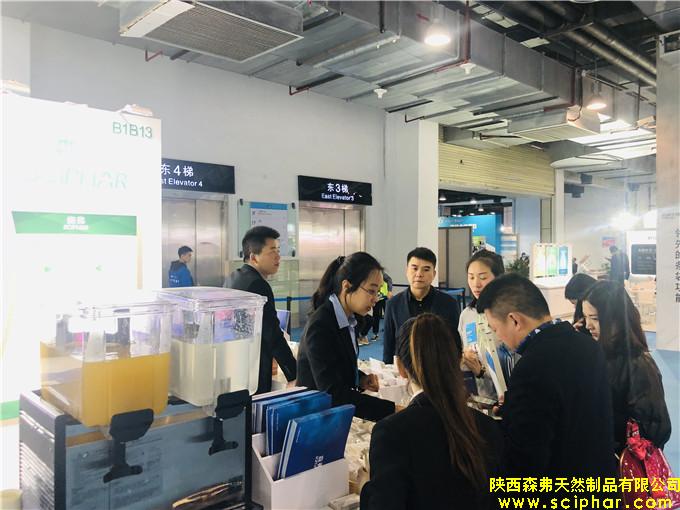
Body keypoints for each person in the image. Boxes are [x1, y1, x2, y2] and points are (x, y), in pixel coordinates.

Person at [476, 273, 616, 479]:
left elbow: (525, 461)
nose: (498, 338)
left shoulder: (531, 367)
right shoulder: (588, 346)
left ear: (514, 320)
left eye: (495, 329)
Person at [361, 314, 503, 510]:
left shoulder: (391, 433)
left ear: (400, 367)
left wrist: (367, 488)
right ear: (458, 361)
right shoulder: (488, 426)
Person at [297, 253, 395, 421]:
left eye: (378, 292)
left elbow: (336, 364)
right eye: (371, 291)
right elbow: (333, 393)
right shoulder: (320, 325)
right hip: (313, 418)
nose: (375, 299)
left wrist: (360, 379)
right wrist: (392, 410)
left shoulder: (350, 319)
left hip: (332, 414)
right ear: (347, 286)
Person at [582, 281, 671, 452]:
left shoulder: (638, 364)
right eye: (585, 317)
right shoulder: (598, 355)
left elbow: (656, 428)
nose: (588, 325)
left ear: (617, 318)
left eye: (595, 318)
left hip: (621, 460)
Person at [225, 226, 297, 394]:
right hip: (253, 371)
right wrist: (294, 373)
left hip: (234, 366)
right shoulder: (258, 285)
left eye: (278, 250)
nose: (278, 256)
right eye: (272, 251)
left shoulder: (234, 278)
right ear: (253, 257)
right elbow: (272, 334)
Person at [382, 247, 460, 363]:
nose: (419, 274)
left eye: (426, 269)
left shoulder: (449, 303)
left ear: (434, 274)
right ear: (407, 271)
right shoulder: (393, 304)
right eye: (414, 268)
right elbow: (389, 346)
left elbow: (455, 344)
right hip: (405, 369)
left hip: (439, 368)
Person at [458, 250, 515, 400]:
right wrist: (464, 357)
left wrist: (482, 372)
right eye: (471, 277)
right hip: (476, 398)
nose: (476, 284)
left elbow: (517, 364)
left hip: (507, 399)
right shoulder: (467, 315)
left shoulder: (511, 315)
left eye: (483, 277)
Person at [370, 271, 393, 340]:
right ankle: (375, 333)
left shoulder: (380, 272)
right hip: (376, 298)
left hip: (385, 297)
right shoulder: (367, 275)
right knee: (376, 315)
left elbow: (389, 279)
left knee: (388, 314)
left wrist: (389, 291)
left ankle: (389, 331)